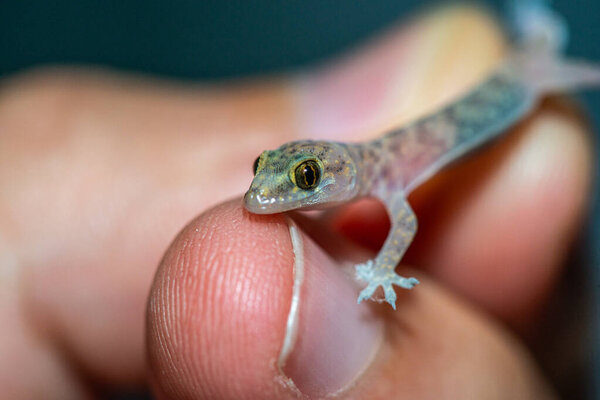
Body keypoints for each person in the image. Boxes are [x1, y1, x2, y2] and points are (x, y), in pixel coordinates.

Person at [0, 6, 592, 399]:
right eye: (269, 170)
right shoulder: (361, 174)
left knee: (541, 74)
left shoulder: (384, 174)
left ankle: (536, 37)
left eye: (304, 177)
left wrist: (384, 268)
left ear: (333, 174)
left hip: (520, 87)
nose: (273, 192)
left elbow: (404, 220)